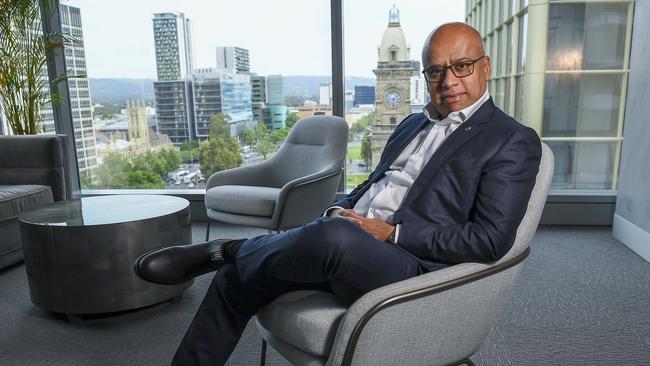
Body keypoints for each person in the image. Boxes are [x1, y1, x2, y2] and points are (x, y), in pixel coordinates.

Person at [135, 22, 542, 366]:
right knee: (234, 280)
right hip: (350, 239)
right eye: (435, 71)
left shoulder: (511, 140)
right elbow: (371, 186)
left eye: (462, 66)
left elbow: (491, 239)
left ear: (485, 67)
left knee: (331, 237)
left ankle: (226, 248)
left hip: (411, 263)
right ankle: (232, 260)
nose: (448, 81)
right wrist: (338, 209)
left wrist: (391, 233)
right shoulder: (411, 125)